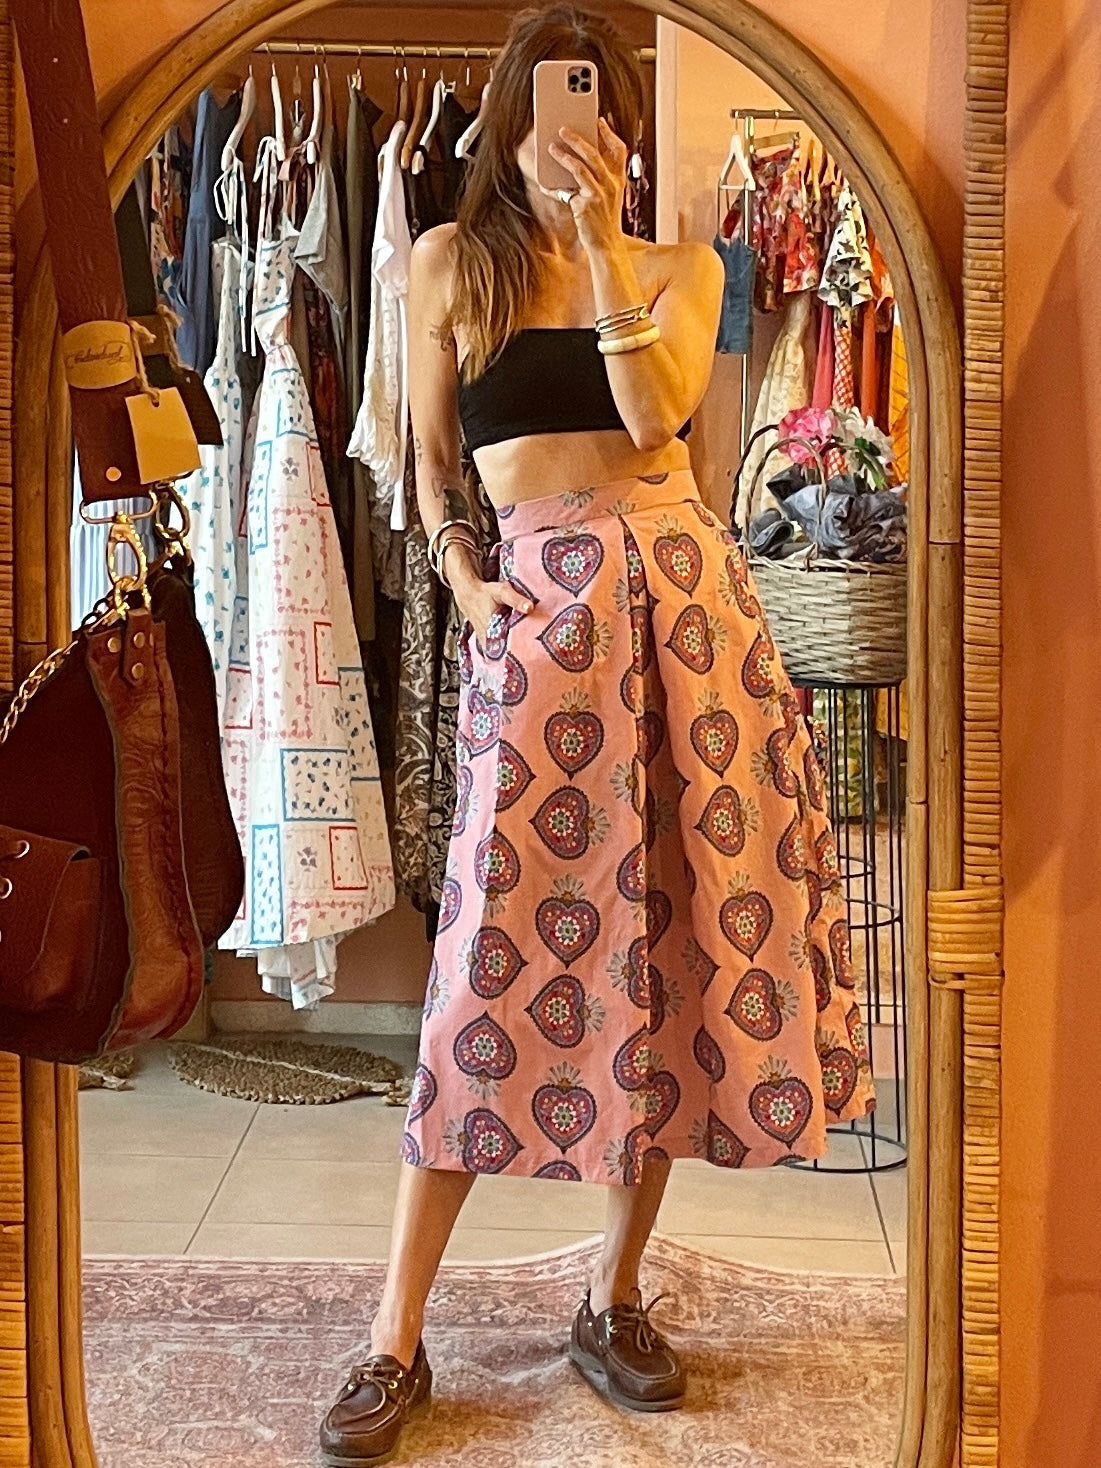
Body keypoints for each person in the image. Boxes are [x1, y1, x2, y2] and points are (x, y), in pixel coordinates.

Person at [320, 7, 875, 1463]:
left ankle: (611, 1297)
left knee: (671, 944)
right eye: (552, 103)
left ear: (621, 131)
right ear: (509, 118)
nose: (574, 128)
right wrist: (460, 575)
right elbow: (432, 464)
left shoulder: (684, 267)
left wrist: (605, 242)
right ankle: (392, 1335)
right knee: (483, 958)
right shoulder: (447, 263)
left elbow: (656, 409)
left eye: (601, 105)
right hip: (538, 617)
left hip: (688, 615)